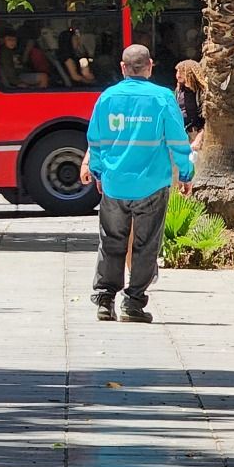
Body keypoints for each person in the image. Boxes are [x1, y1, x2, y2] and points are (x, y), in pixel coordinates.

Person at [85, 44, 194, 324]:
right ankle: (133, 304)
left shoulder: (107, 98)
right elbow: (177, 139)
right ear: (150, 66)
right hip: (151, 184)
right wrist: (185, 172)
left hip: (114, 183)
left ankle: (105, 301)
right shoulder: (162, 98)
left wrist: (98, 172)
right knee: (145, 245)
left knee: (111, 242)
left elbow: (95, 140)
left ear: (123, 68)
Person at [174, 59, 206, 150]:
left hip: (196, 135)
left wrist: (199, 138)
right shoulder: (179, 90)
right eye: (177, 71)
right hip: (181, 134)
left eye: (182, 71)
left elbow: (207, 120)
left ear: (191, 73)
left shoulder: (201, 93)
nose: (178, 74)